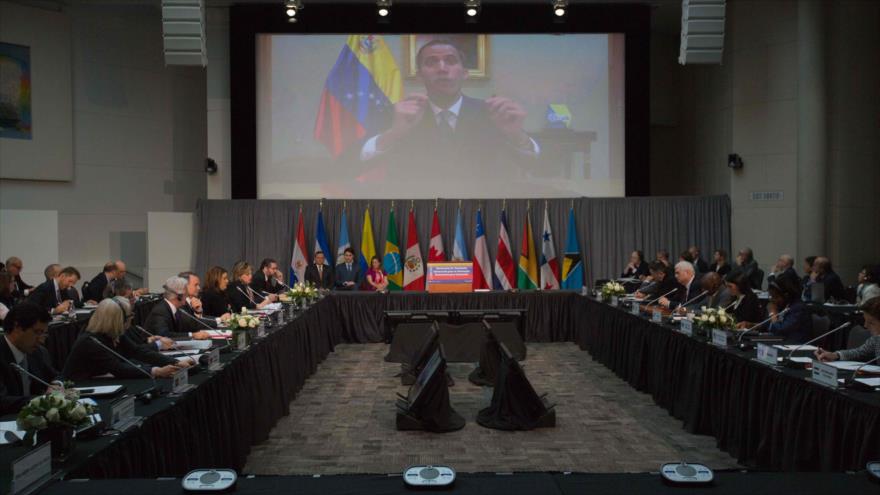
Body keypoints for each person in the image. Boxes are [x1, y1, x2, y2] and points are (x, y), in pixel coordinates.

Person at [357, 39, 539, 181]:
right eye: (432, 62)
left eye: (451, 61)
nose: (442, 68)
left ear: (465, 73)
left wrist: (517, 136)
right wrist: (393, 134)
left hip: (480, 217)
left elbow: (540, 168)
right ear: (420, 75)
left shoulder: (492, 113)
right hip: (416, 217)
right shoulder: (398, 114)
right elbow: (348, 165)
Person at [62, 299, 185, 381]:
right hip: (80, 388)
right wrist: (156, 371)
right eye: (129, 316)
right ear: (117, 319)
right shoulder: (90, 341)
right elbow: (118, 368)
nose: (132, 319)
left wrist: (175, 362)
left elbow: (138, 352)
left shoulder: (113, 333)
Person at [0, 302, 57, 414]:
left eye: (44, 334)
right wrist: (43, 400)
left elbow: (56, 375)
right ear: (17, 327)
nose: (41, 340)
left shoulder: (37, 352)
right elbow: (2, 401)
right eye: (37, 332)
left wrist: (57, 385)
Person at [739, 277, 809, 344]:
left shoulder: (798, 308)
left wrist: (773, 313)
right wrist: (751, 325)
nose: (772, 300)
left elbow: (781, 330)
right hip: (779, 341)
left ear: (786, 295)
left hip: (794, 345)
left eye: (775, 297)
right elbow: (768, 325)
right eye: (771, 296)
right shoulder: (783, 304)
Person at [143, 276, 210, 340]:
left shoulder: (176, 309)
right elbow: (164, 335)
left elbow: (188, 326)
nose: (187, 295)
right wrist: (192, 335)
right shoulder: (160, 311)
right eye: (185, 292)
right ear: (179, 296)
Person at [815, 297, 880, 363]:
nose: (865, 325)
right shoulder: (876, 339)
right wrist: (835, 355)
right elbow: (859, 352)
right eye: (865, 320)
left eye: (871, 322)